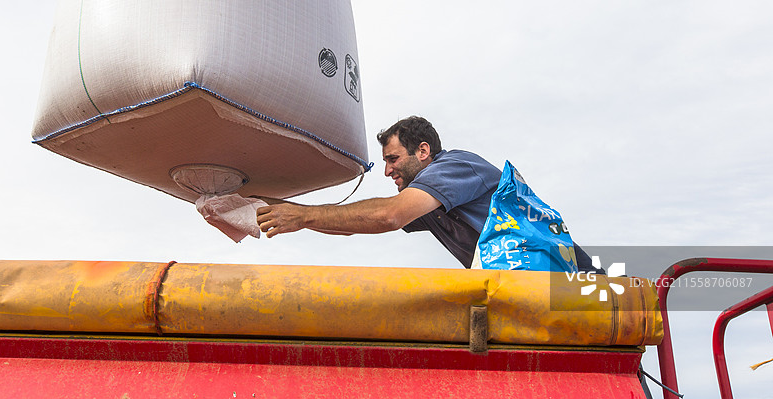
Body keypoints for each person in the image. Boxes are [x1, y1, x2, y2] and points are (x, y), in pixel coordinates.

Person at [256, 116, 600, 271]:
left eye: (393, 159)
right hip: (528, 290)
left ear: (423, 151)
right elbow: (350, 225)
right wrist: (274, 206)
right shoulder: (433, 200)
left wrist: (301, 215)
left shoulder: (454, 167)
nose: (388, 170)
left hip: (567, 286)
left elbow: (389, 215)